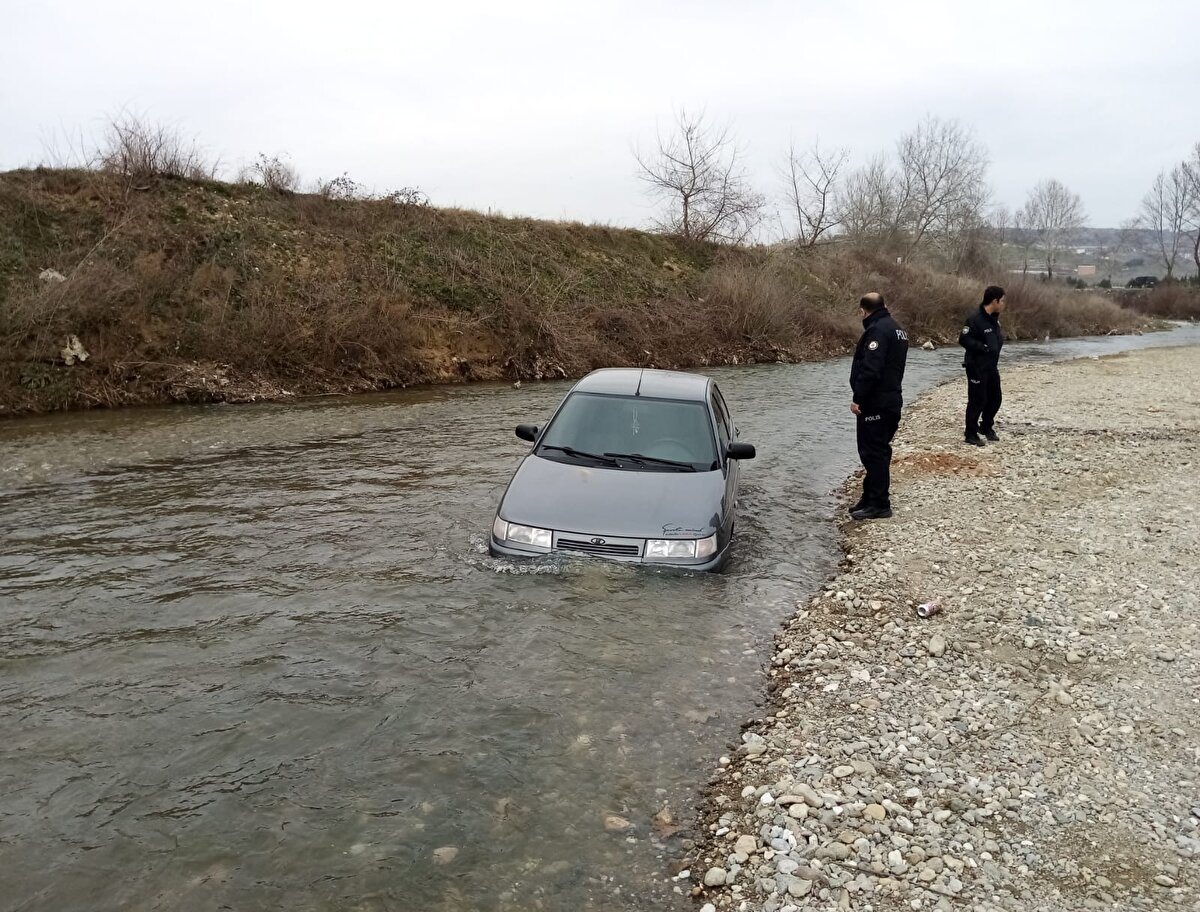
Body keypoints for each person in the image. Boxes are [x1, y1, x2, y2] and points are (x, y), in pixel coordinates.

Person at [848, 292, 909, 520]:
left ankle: (880, 504)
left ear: (863, 310)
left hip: (876, 403)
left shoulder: (877, 331)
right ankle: (869, 497)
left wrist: (858, 399)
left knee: (874, 452)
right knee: (878, 450)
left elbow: (871, 370)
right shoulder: (897, 328)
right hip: (892, 400)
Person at [959, 285, 1006, 446]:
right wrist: (983, 348)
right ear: (995, 300)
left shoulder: (994, 319)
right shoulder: (975, 319)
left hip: (991, 366)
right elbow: (964, 339)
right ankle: (970, 433)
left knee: (995, 398)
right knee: (977, 400)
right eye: (1002, 300)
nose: (1003, 304)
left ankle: (986, 427)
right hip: (976, 366)